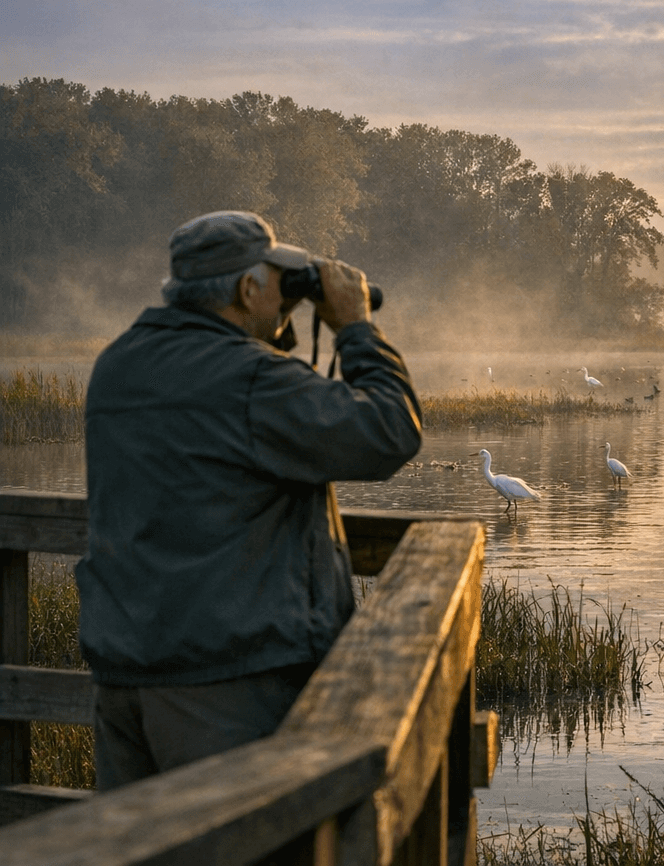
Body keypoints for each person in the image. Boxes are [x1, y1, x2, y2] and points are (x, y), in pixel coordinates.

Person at [76, 210, 423, 791]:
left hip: (124, 675)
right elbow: (390, 431)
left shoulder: (117, 365)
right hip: (226, 683)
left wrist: (279, 325)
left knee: (134, 849)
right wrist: (356, 328)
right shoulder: (251, 379)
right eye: (279, 282)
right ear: (246, 288)